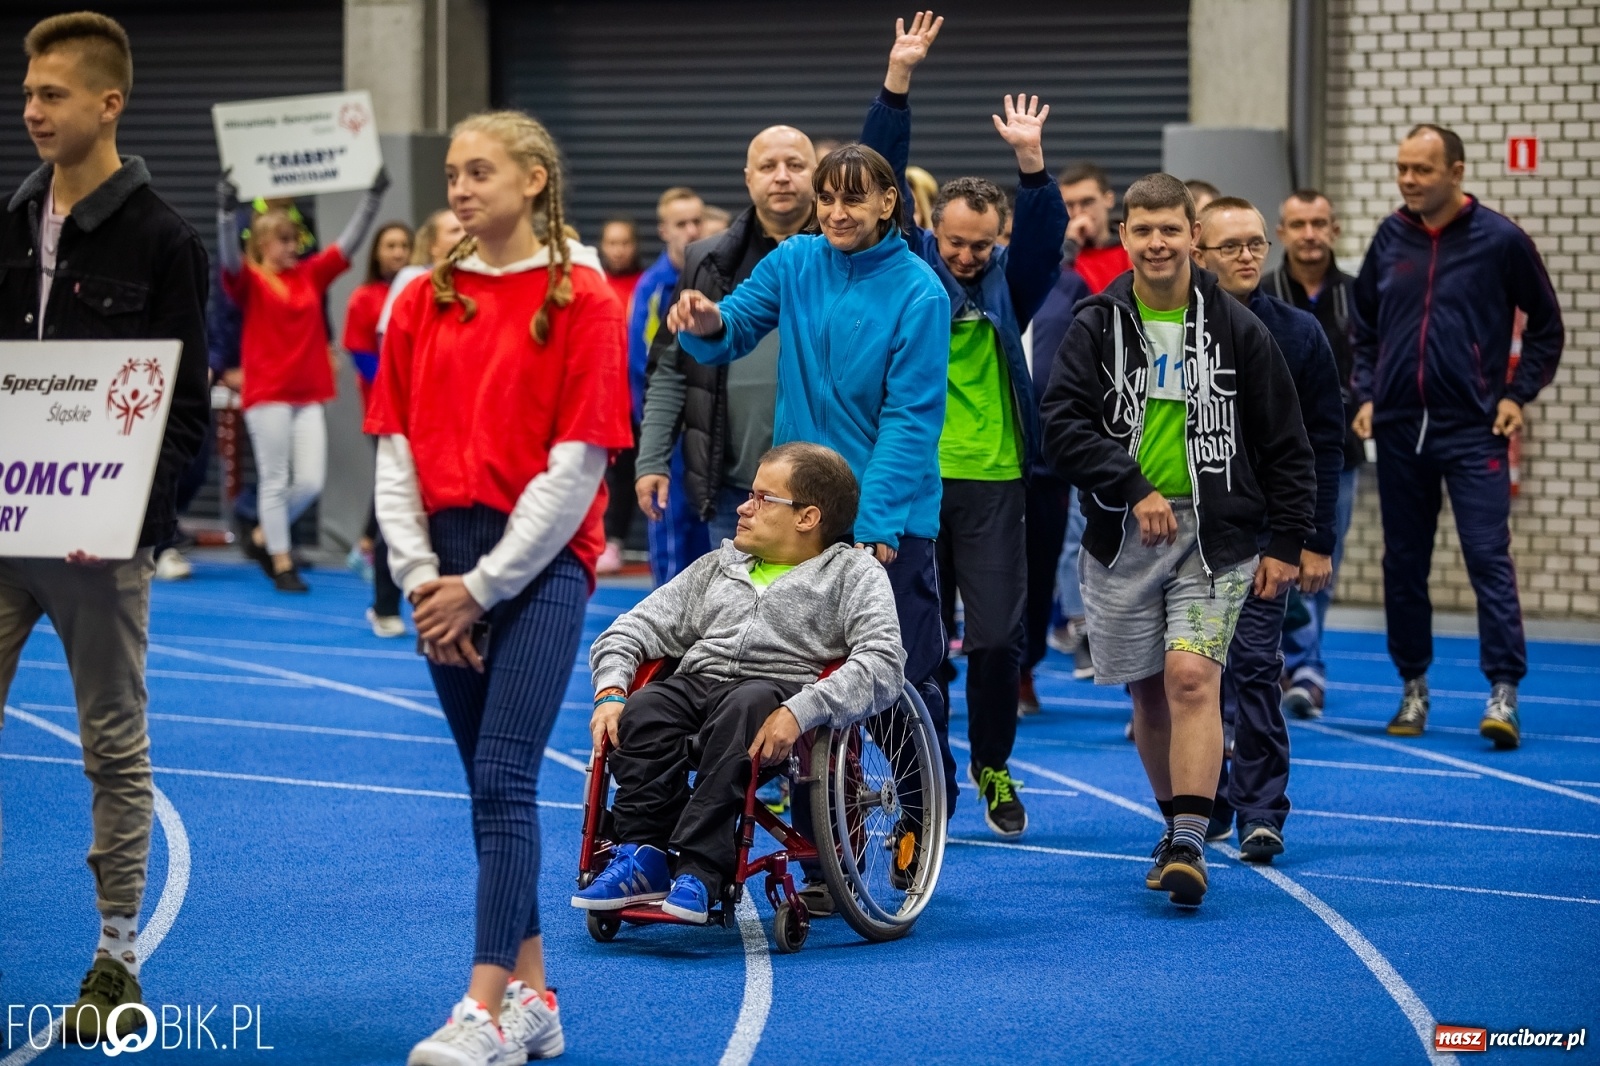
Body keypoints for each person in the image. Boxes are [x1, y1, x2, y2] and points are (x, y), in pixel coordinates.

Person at [367, 109, 630, 1066]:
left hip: (539, 565)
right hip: (443, 567)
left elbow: (576, 468)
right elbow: (392, 447)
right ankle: (535, 997)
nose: (460, 188)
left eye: (480, 171)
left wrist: (481, 587)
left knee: (504, 774)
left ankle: (479, 1007)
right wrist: (420, 579)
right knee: (490, 790)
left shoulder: (588, 302)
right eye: (450, 173)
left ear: (533, 180)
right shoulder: (419, 298)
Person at [0, 11, 209, 1042]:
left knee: (111, 749)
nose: (31, 110)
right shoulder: (8, 220)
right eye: (28, 94)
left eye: (51, 95)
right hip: (2, 530)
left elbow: (185, 417)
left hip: (98, 544)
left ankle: (115, 956)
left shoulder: (166, 240)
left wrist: (134, 521)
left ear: (107, 103)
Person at [669, 142, 958, 839]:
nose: (835, 211)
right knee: (807, 682)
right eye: (826, 198)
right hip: (802, 514)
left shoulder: (920, 290)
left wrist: (876, 522)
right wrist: (707, 322)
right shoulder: (795, 261)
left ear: (889, 203)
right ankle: (822, 837)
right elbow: (734, 327)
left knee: (901, 679)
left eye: (853, 198)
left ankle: (917, 817)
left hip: (889, 521)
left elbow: (910, 418)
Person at [1040, 173, 1314, 907]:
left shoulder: (1239, 329)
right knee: (1147, 694)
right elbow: (1061, 425)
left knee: (1192, 678)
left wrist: (1288, 542)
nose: (1157, 242)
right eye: (1142, 229)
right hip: (1122, 533)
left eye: (1171, 228)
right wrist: (1132, 485)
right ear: (1123, 236)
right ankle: (1173, 826)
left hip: (1216, 536)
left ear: (1195, 236)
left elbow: (1288, 445)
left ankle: (1191, 838)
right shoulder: (1097, 323)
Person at [860, 9, 1067, 837]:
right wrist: (897, 82)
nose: (966, 257)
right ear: (931, 232)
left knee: (994, 642)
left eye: (982, 246)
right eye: (954, 242)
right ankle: (927, 780)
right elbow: (882, 168)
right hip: (915, 484)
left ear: (999, 239)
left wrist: (1031, 165)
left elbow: (1046, 240)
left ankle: (992, 766)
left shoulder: (1010, 283)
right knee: (917, 650)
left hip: (995, 482)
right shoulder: (912, 270)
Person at [575, 443, 904, 921]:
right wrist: (610, 692)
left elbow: (883, 662)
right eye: (748, 495)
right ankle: (641, 854)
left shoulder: (852, 574)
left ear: (807, 517)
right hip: (699, 682)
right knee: (646, 709)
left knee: (745, 705)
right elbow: (630, 629)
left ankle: (701, 871)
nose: (744, 507)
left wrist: (801, 710)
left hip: (775, 694)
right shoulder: (717, 566)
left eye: (762, 498)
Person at [1351, 124, 1562, 750]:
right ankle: (1413, 686)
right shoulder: (1390, 236)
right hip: (1397, 430)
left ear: (1457, 172)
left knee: (1487, 558)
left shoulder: (1501, 240)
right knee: (1404, 564)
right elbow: (1362, 324)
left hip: (1472, 429)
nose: (1409, 180)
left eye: (1422, 169)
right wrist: (1365, 393)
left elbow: (1547, 327)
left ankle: (1503, 691)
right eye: (1402, 168)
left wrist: (1515, 395)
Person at [1192, 197, 1345, 863]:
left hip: (1264, 540)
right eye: (1233, 246)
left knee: (1254, 667)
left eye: (1257, 243)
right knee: (1195, 676)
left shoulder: (1299, 333)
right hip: (1188, 536)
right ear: (1201, 253)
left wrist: (1313, 538)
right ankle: (1202, 799)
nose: (1249, 255)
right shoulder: (1173, 329)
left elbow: (1323, 441)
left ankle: (1260, 808)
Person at [636, 124, 817, 550]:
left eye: (795, 165)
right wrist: (652, 458)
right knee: (741, 611)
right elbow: (670, 367)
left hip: (821, 489)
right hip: (736, 489)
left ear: (817, 174)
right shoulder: (708, 258)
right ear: (748, 177)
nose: (782, 176)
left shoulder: (845, 257)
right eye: (767, 166)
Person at [217, 166, 388, 592]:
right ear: (262, 244)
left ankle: (260, 535)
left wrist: (371, 198)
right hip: (268, 390)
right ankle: (280, 560)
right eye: (285, 240)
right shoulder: (250, 281)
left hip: (308, 389)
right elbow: (226, 260)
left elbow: (348, 245)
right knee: (274, 478)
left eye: (295, 239)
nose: (295, 246)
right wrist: (225, 215)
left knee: (309, 481)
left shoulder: (311, 274)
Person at [1265, 189, 1362, 719]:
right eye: (1298, 223)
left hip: (1337, 452)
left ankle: (1308, 666)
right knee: (1273, 562)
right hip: (1273, 459)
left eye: (1318, 223)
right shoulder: (1262, 293)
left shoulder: (1357, 294)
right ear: (1282, 232)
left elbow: (1377, 354)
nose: (1309, 233)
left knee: (1320, 562)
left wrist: (1366, 402)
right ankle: (1285, 660)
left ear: (1334, 229)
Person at [1023, 257, 1092, 700]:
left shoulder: (1068, 286)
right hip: (975, 461)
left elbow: (1090, 359)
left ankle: (1023, 666)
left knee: (1039, 567)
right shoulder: (966, 283)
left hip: (1047, 461)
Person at [631, 185, 707, 586]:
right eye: (681, 224)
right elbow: (641, 367)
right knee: (673, 535)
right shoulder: (653, 289)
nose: (691, 231)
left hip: (712, 435)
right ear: (664, 230)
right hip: (673, 437)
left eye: (697, 221)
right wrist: (656, 440)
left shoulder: (718, 275)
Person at [343, 221, 414, 635]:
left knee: (394, 484)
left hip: (418, 412)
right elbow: (362, 354)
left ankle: (365, 545)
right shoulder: (365, 298)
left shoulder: (414, 288)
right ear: (376, 252)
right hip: (383, 407)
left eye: (404, 245)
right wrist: (398, 382)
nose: (398, 252)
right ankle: (370, 550)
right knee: (390, 481)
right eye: (390, 245)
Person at [596, 216, 643, 575]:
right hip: (605, 397)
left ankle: (619, 539)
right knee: (609, 475)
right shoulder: (596, 285)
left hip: (638, 396)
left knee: (633, 474)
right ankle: (606, 539)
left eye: (624, 242)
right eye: (612, 243)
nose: (618, 250)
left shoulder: (644, 285)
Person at [1058, 161, 1130, 294]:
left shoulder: (1131, 248)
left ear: (1109, 199)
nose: (1078, 212)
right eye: (1070, 205)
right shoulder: (1060, 257)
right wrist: (1070, 246)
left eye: (1087, 202)